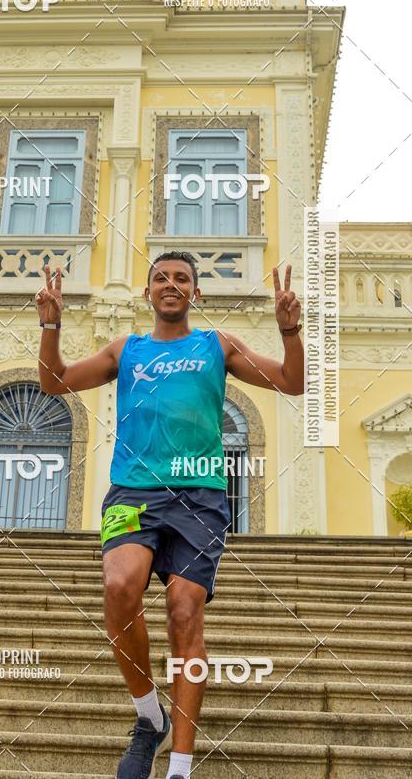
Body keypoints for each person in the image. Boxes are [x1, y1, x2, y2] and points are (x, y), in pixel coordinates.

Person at [36, 252, 303, 779]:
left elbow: (291, 383)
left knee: (185, 613)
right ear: (148, 294)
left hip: (201, 497)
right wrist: (50, 325)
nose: (172, 284)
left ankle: (179, 767)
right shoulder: (126, 349)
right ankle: (148, 716)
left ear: (195, 294)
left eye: (182, 279)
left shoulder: (216, 345)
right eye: (162, 278)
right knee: (119, 586)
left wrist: (290, 333)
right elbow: (53, 382)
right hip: (134, 493)